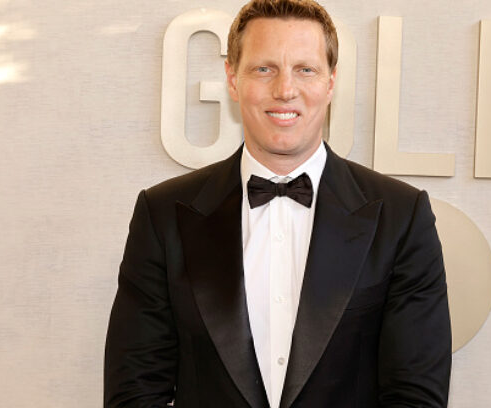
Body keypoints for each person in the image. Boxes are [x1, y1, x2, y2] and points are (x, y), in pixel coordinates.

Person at [104, 0, 451, 406]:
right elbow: (135, 391)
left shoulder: (401, 217)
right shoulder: (163, 213)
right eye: (264, 69)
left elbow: (416, 396)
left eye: (305, 69)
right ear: (233, 80)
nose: (285, 89)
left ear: (330, 82)